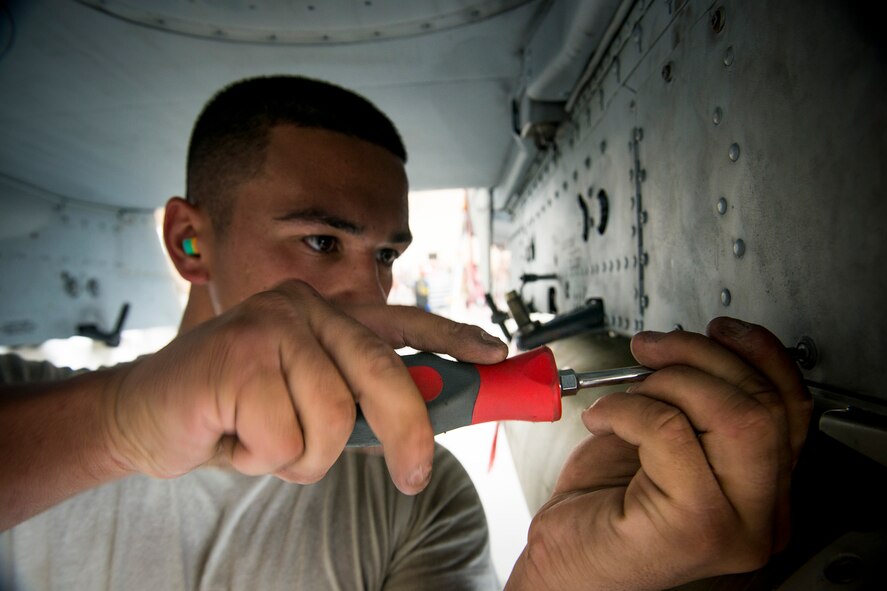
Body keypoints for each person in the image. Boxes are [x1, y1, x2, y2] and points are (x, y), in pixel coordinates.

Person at [0, 76, 811, 590]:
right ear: (190, 241)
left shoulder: (417, 491)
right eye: (321, 241)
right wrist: (117, 423)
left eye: (385, 253)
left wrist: (557, 583)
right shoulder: (32, 405)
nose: (368, 287)